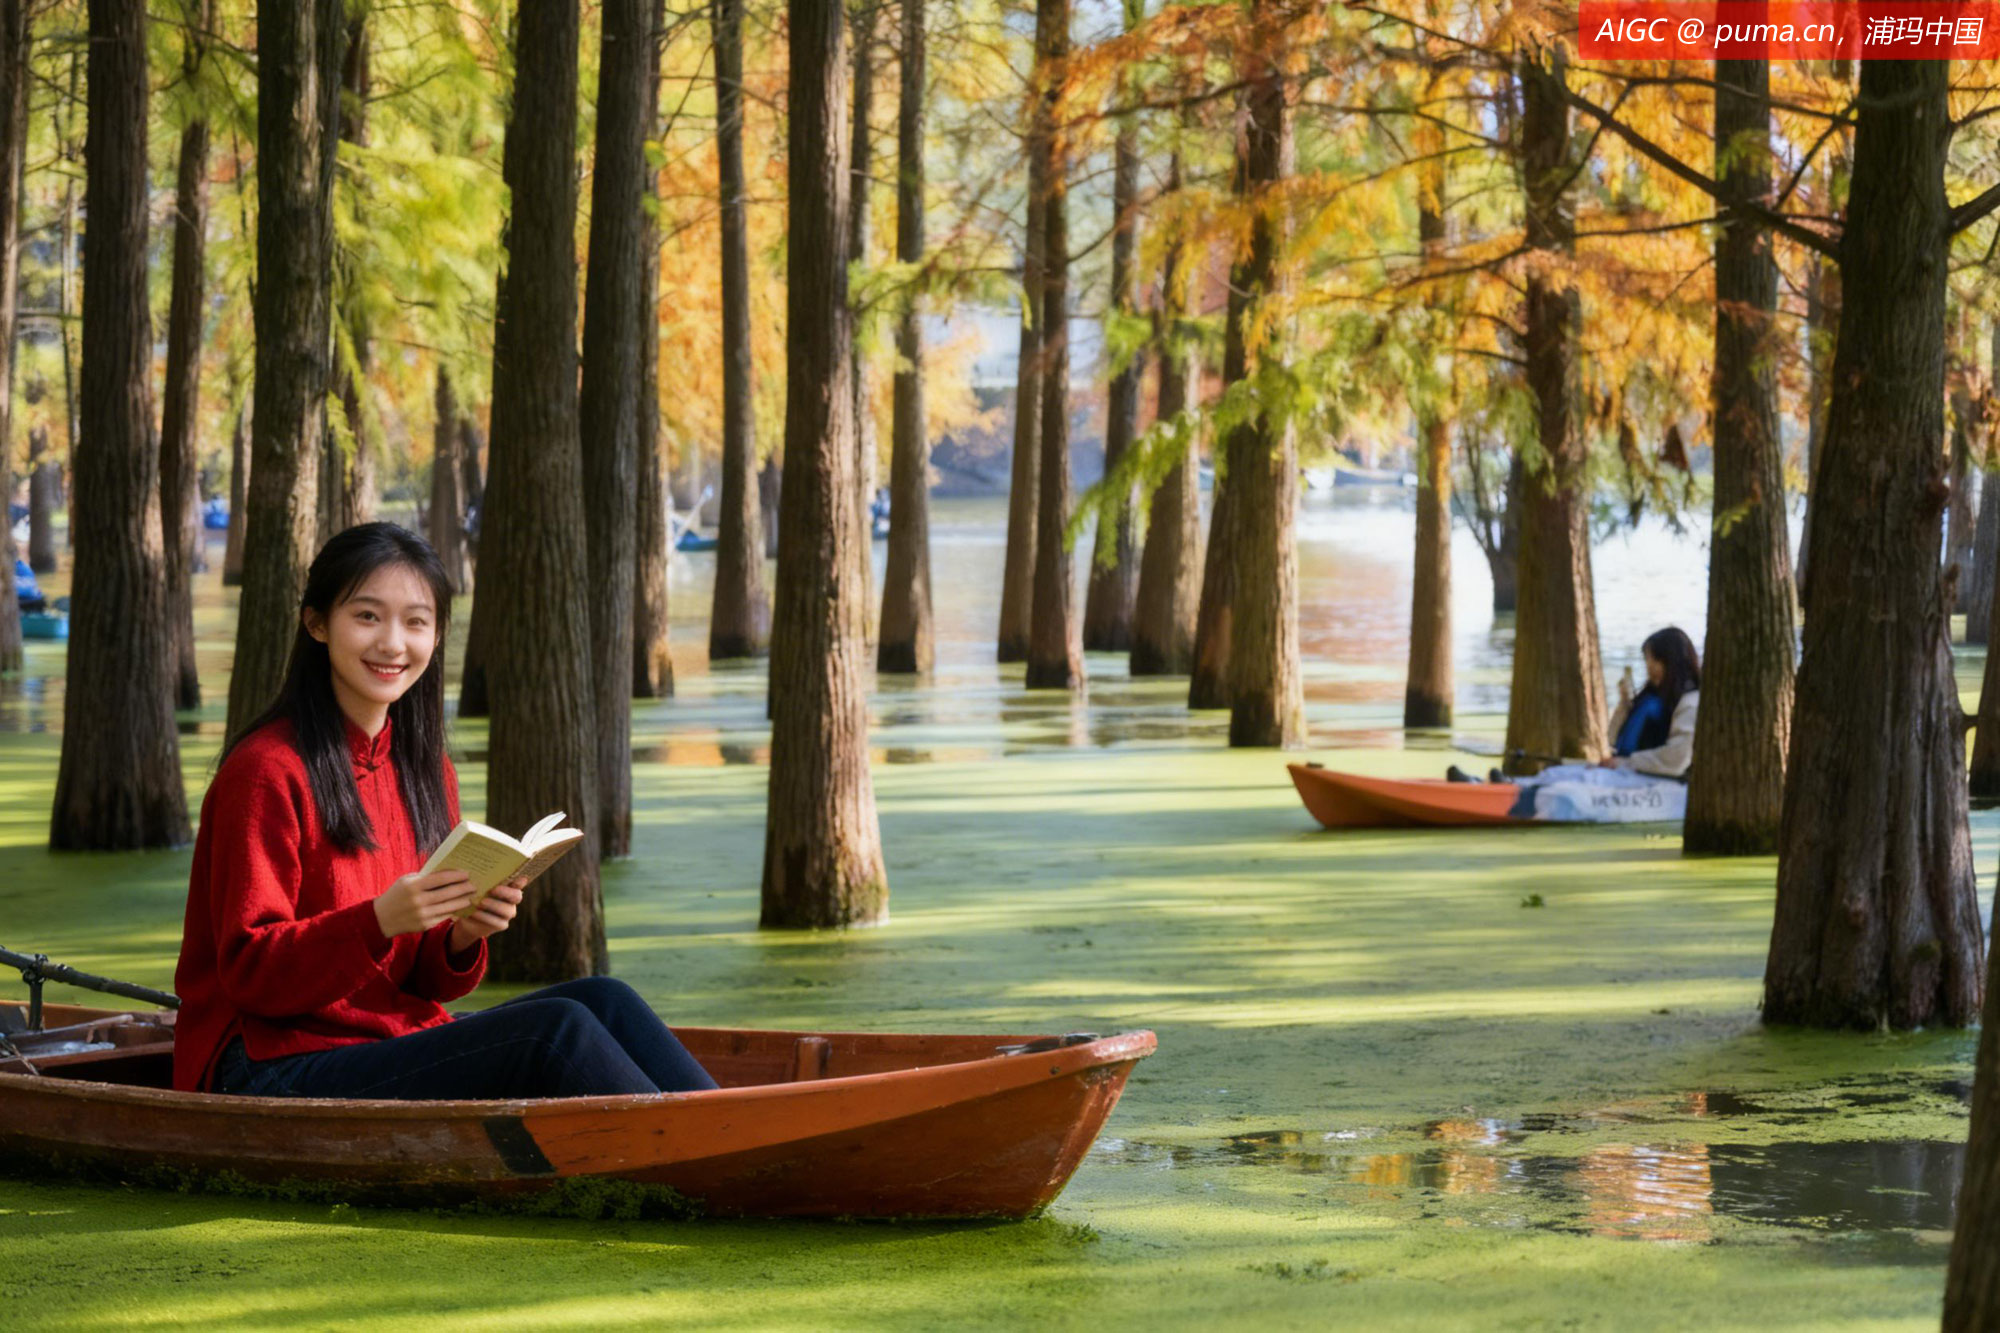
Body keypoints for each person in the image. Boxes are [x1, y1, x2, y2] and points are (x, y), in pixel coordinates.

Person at [173, 522, 718, 1100]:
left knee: (604, 1000)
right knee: (552, 1033)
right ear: (316, 624)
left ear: (436, 636)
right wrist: (378, 920)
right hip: (270, 1061)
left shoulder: (426, 773)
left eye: (415, 621)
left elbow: (418, 980)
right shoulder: (265, 771)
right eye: (367, 616)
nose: (392, 644)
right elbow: (249, 974)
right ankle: (699, 1163)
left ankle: (727, 1136)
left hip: (380, 1041)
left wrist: (460, 936)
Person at [1601, 626, 1701, 779]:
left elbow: (1677, 758)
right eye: (1646, 659)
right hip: (1629, 773)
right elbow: (1612, 739)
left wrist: (1629, 762)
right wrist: (1624, 705)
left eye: (1653, 659)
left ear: (1670, 661)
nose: (1649, 667)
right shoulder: (1651, 695)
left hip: (1660, 784)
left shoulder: (1690, 702)